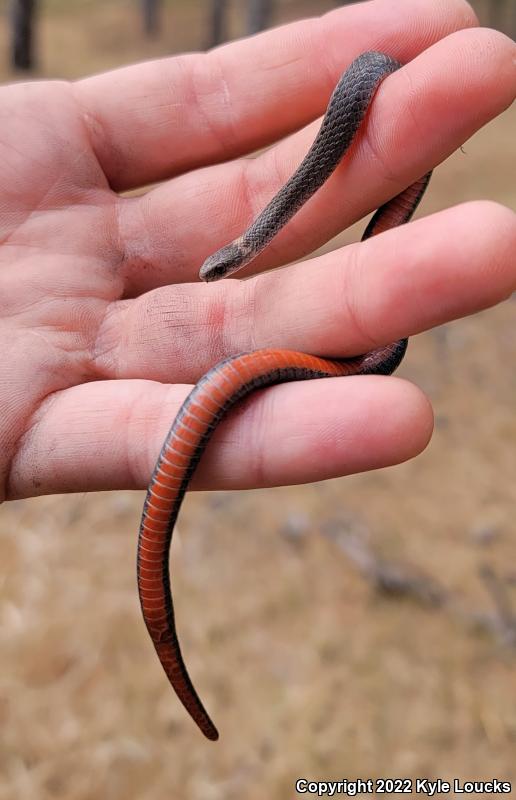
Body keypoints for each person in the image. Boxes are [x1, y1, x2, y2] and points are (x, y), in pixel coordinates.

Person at [1, 0, 515, 504]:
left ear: (234, 259)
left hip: (373, 77)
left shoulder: (265, 221)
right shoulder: (255, 231)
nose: (216, 275)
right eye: (218, 270)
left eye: (220, 270)